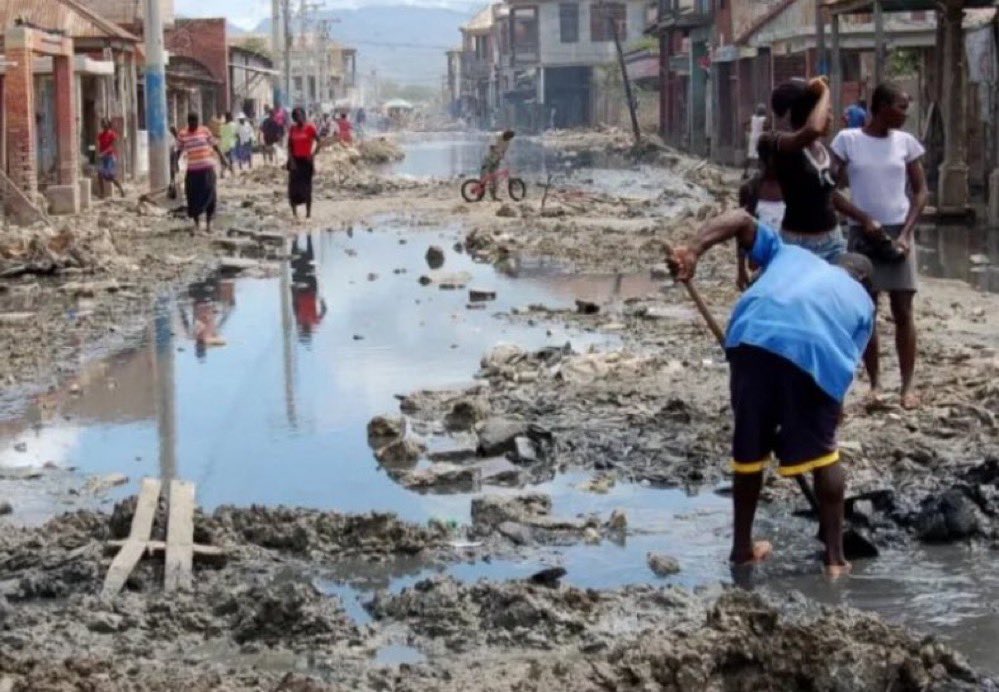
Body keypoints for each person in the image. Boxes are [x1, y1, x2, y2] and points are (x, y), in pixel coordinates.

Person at [670, 209, 875, 577]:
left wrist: (694, 250)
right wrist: (810, 426)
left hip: (752, 337)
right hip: (815, 351)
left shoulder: (792, 255)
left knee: (749, 448)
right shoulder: (863, 302)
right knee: (826, 454)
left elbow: (740, 219)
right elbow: (839, 375)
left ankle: (741, 551)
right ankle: (835, 559)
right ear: (863, 281)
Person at [831, 82, 929, 409]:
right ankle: (874, 384)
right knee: (867, 311)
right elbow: (829, 190)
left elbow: (921, 192)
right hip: (862, 234)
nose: (905, 113)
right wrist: (863, 217)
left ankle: (907, 386)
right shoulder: (848, 141)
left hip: (898, 233)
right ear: (880, 106)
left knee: (903, 310)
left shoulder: (906, 143)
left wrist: (906, 233)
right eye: (900, 106)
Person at [759, 78, 872, 263]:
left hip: (833, 241)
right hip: (797, 244)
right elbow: (812, 129)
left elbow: (829, 194)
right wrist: (825, 90)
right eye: (827, 112)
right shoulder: (775, 141)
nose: (832, 118)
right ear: (811, 113)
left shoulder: (821, 149)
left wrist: (864, 219)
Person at [737, 137, 785, 290]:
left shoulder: (792, 188)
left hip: (787, 261)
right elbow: (741, 231)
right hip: (760, 264)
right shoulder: (750, 189)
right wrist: (740, 269)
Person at [176, 112, 227, 233]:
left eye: (196, 121)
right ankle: (197, 224)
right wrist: (174, 166)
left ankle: (209, 224)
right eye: (192, 122)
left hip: (207, 169)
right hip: (193, 170)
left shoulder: (205, 131)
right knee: (192, 196)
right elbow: (178, 151)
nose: (194, 124)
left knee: (210, 195)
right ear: (188, 122)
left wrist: (222, 158)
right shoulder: (183, 134)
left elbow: (214, 146)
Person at [287, 107, 322, 219]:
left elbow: (319, 141)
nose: (298, 118)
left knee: (307, 188)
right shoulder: (292, 129)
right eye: (296, 117)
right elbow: (289, 145)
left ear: (303, 115)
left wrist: (313, 154)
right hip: (295, 162)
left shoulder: (310, 127)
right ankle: (294, 214)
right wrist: (291, 160)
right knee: (293, 188)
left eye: (300, 115)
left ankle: (308, 214)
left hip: (307, 162)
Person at [480, 130, 515, 201]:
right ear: (505, 134)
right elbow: (491, 147)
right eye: (507, 137)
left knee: (495, 180)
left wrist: (504, 159)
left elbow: (504, 151)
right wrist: (498, 153)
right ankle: (479, 195)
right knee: (484, 177)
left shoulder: (507, 141)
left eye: (509, 138)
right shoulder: (496, 135)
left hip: (496, 161)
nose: (508, 139)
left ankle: (494, 196)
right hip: (488, 159)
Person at [96, 119, 125, 198]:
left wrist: (103, 153)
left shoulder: (112, 135)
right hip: (103, 157)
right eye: (102, 124)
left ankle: (121, 190)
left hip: (110, 157)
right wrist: (99, 154)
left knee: (110, 176)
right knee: (100, 174)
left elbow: (112, 147)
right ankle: (102, 194)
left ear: (108, 125)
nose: (104, 126)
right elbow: (99, 146)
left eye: (105, 124)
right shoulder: (100, 135)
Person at [743, 103, 768, 178]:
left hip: (753, 137)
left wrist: (748, 130)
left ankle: (745, 172)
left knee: (750, 155)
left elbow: (744, 123)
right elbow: (767, 127)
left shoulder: (752, 118)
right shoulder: (764, 119)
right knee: (761, 156)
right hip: (760, 138)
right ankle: (761, 172)